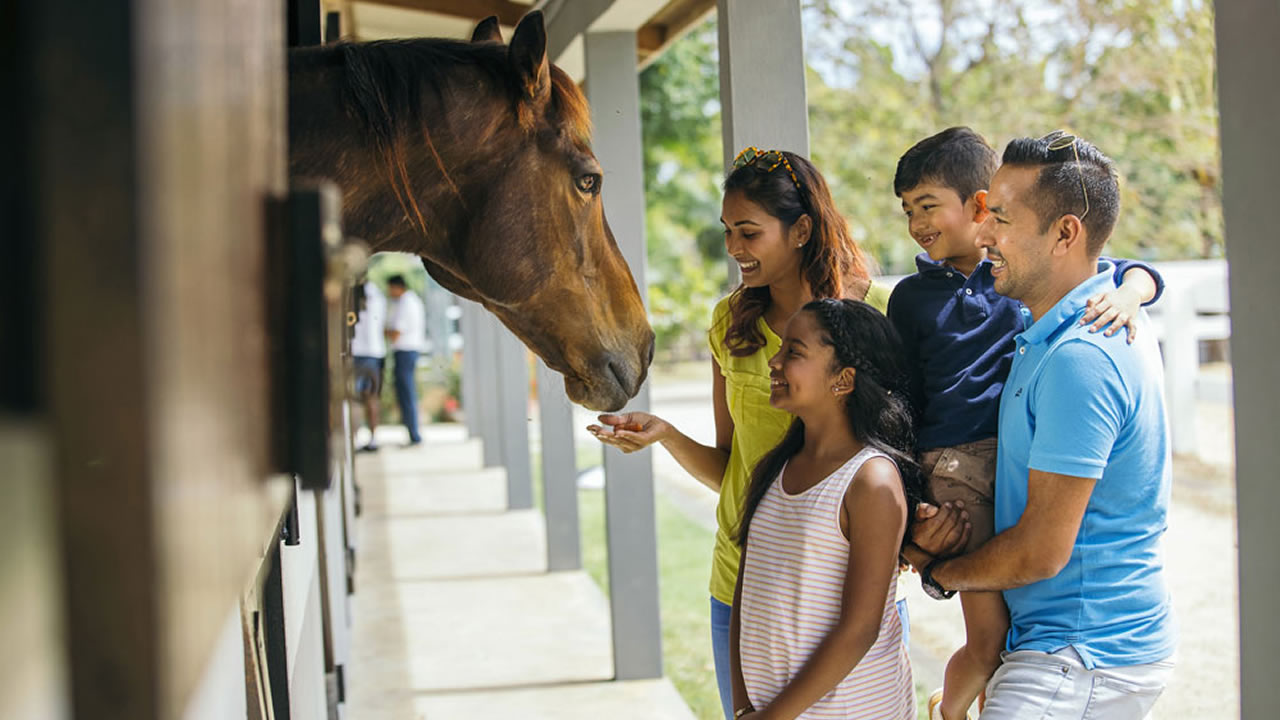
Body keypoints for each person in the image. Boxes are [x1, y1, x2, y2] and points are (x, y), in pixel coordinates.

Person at [588, 147, 891, 719]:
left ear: (801, 229)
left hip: (840, 587)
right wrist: (668, 436)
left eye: (749, 232)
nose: (733, 248)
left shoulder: (870, 314)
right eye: (728, 230)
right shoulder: (730, 324)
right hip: (741, 583)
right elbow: (735, 469)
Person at [887, 127, 1165, 720]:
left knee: (981, 646)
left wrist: (938, 570)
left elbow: (1039, 552)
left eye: (1002, 218)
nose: (985, 232)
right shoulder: (1043, 335)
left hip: (1080, 656)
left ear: (1065, 233)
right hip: (1055, 646)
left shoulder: (1082, 355)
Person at [729, 298, 921, 720]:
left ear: (844, 379)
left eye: (793, 352)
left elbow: (860, 629)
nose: (773, 362)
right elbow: (745, 594)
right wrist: (744, 707)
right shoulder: (776, 468)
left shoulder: (871, 480)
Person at [385, 274, 426, 447]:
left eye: (390, 289)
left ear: (397, 287)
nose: (389, 293)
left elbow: (396, 333)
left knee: (407, 393)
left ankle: (414, 434)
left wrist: (382, 331)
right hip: (409, 351)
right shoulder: (412, 301)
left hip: (405, 351)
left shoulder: (405, 303)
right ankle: (413, 433)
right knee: (407, 393)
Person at [351, 278, 388, 452]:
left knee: (354, 399)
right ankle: (373, 438)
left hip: (355, 351)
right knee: (371, 398)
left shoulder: (351, 294)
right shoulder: (378, 295)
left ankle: (355, 439)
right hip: (374, 352)